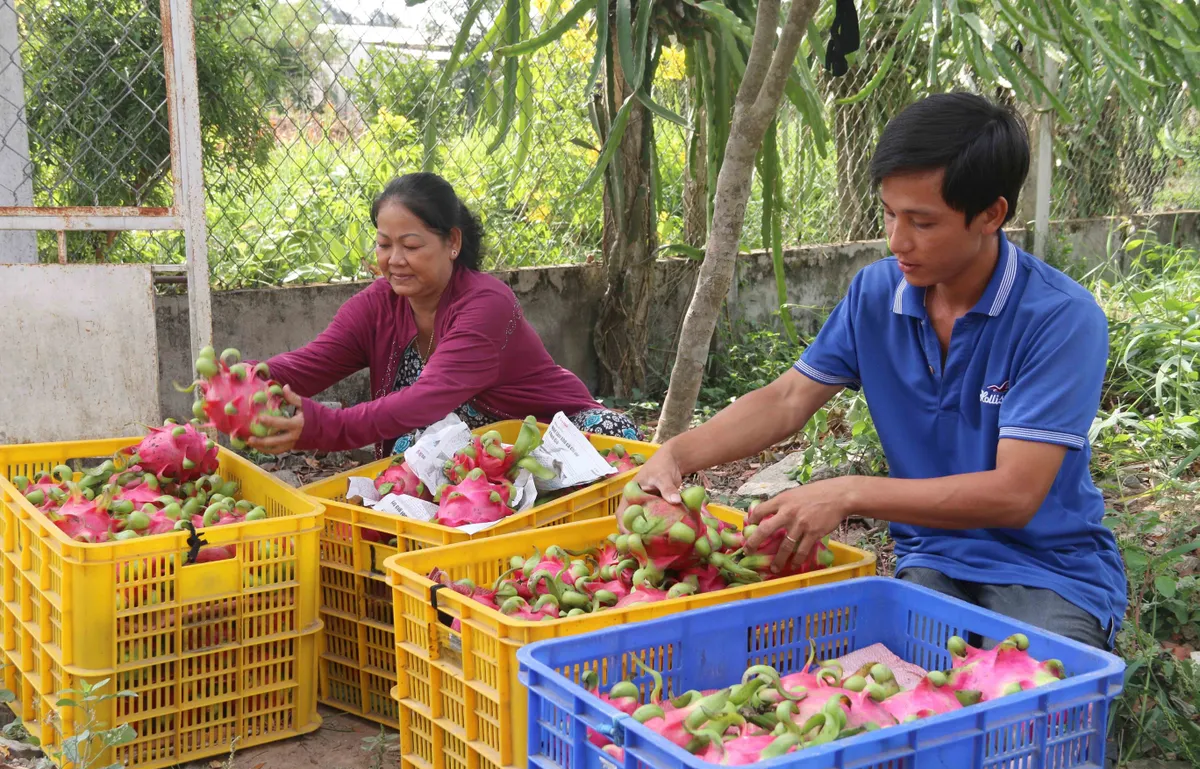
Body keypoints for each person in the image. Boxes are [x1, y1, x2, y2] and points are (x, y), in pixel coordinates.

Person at [635, 93, 1125, 652]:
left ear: (992, 214)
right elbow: (788, 399)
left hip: (1049, 569)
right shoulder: (877, 293)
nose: (897, 241)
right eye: (890, 213)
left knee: (1034, 702)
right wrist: (676, 454)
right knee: (902, 688)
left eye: (923, 222)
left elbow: (1014, 495)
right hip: (935, 557)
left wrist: (848, 493)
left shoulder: (1060, 318)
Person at [248, 172, 639, 459]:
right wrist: (244, 380)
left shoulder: (487, 303)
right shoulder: (378, 304)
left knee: (614, 444)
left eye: (411, 245)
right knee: (415, 449)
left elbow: (426, 399)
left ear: (452, 242)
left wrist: (326, 427)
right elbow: (313, 362)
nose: (394, 260)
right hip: (482, 448)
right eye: (384, 245)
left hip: (549, 432)